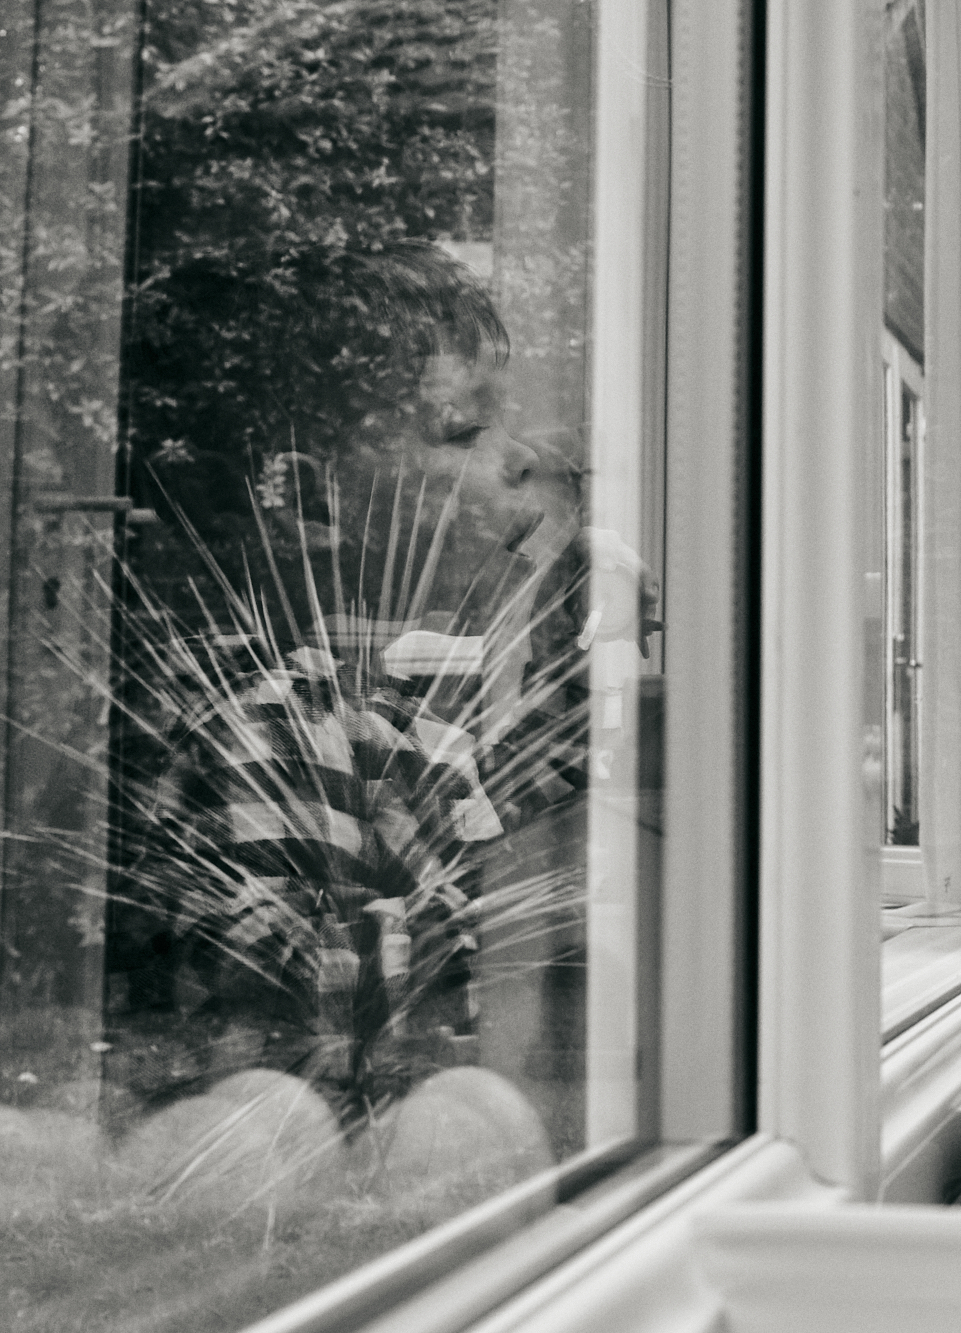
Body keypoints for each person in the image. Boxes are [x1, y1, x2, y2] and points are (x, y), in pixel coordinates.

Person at [109, 241, 601, 1127]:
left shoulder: (424, 720)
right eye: (461, 429)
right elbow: (312, 1024)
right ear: (314, 490)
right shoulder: (271, 732)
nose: (518, 457)